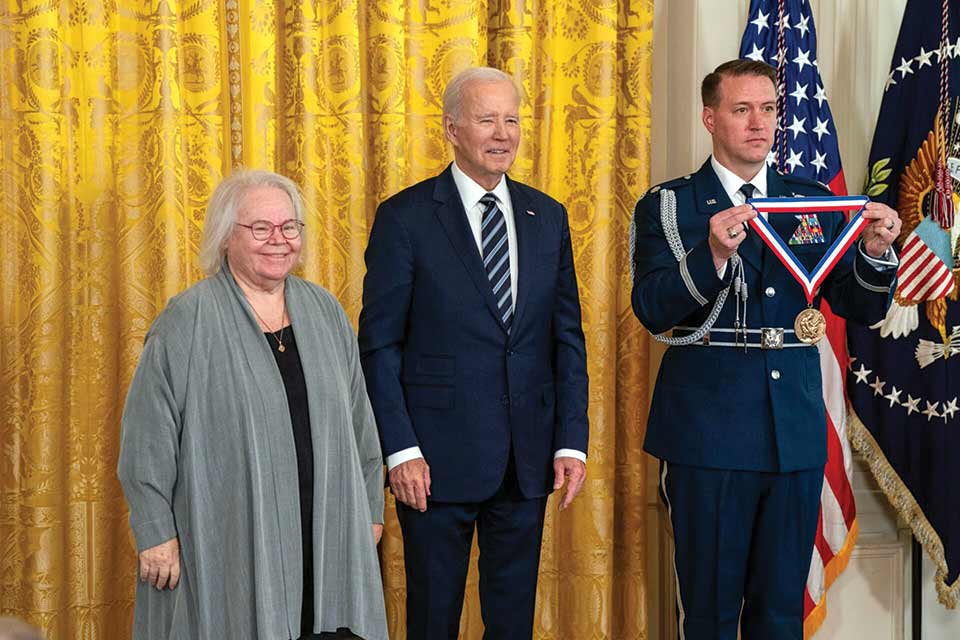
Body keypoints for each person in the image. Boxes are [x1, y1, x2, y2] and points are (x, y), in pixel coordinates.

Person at [631, 59, 901, 639]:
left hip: (793, 433)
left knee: (780, 617)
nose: (760, 123)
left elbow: (862, 306)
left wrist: (877, 252)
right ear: (710, 118)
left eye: (769, 109)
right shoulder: (670, 205)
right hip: (709, 433)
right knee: (709, 615)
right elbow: (651, 307)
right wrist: (713, 255)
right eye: (742, 109)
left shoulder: (808, 203)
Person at [358, 66, 589, 639]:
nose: (503, 133)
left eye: (512, 119)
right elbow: (380, 344)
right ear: (452, 129)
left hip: (527, 459)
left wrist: (570, 440)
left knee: (512, 624)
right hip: (433, 464)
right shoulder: (405, 217)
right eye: (487, 119)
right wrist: (400, 450)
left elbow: (567, 338)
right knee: (433, 619)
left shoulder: (548, 215)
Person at [118, 170, 387, 640]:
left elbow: (360, 425)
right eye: (260, 228)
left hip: (325, 529)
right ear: (225, 237)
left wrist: (369, 510)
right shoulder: (187, 320)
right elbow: (146, 439)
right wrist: (156, 531)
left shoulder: (325, 311)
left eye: (290, 228)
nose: (278, 241)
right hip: (228, 536)